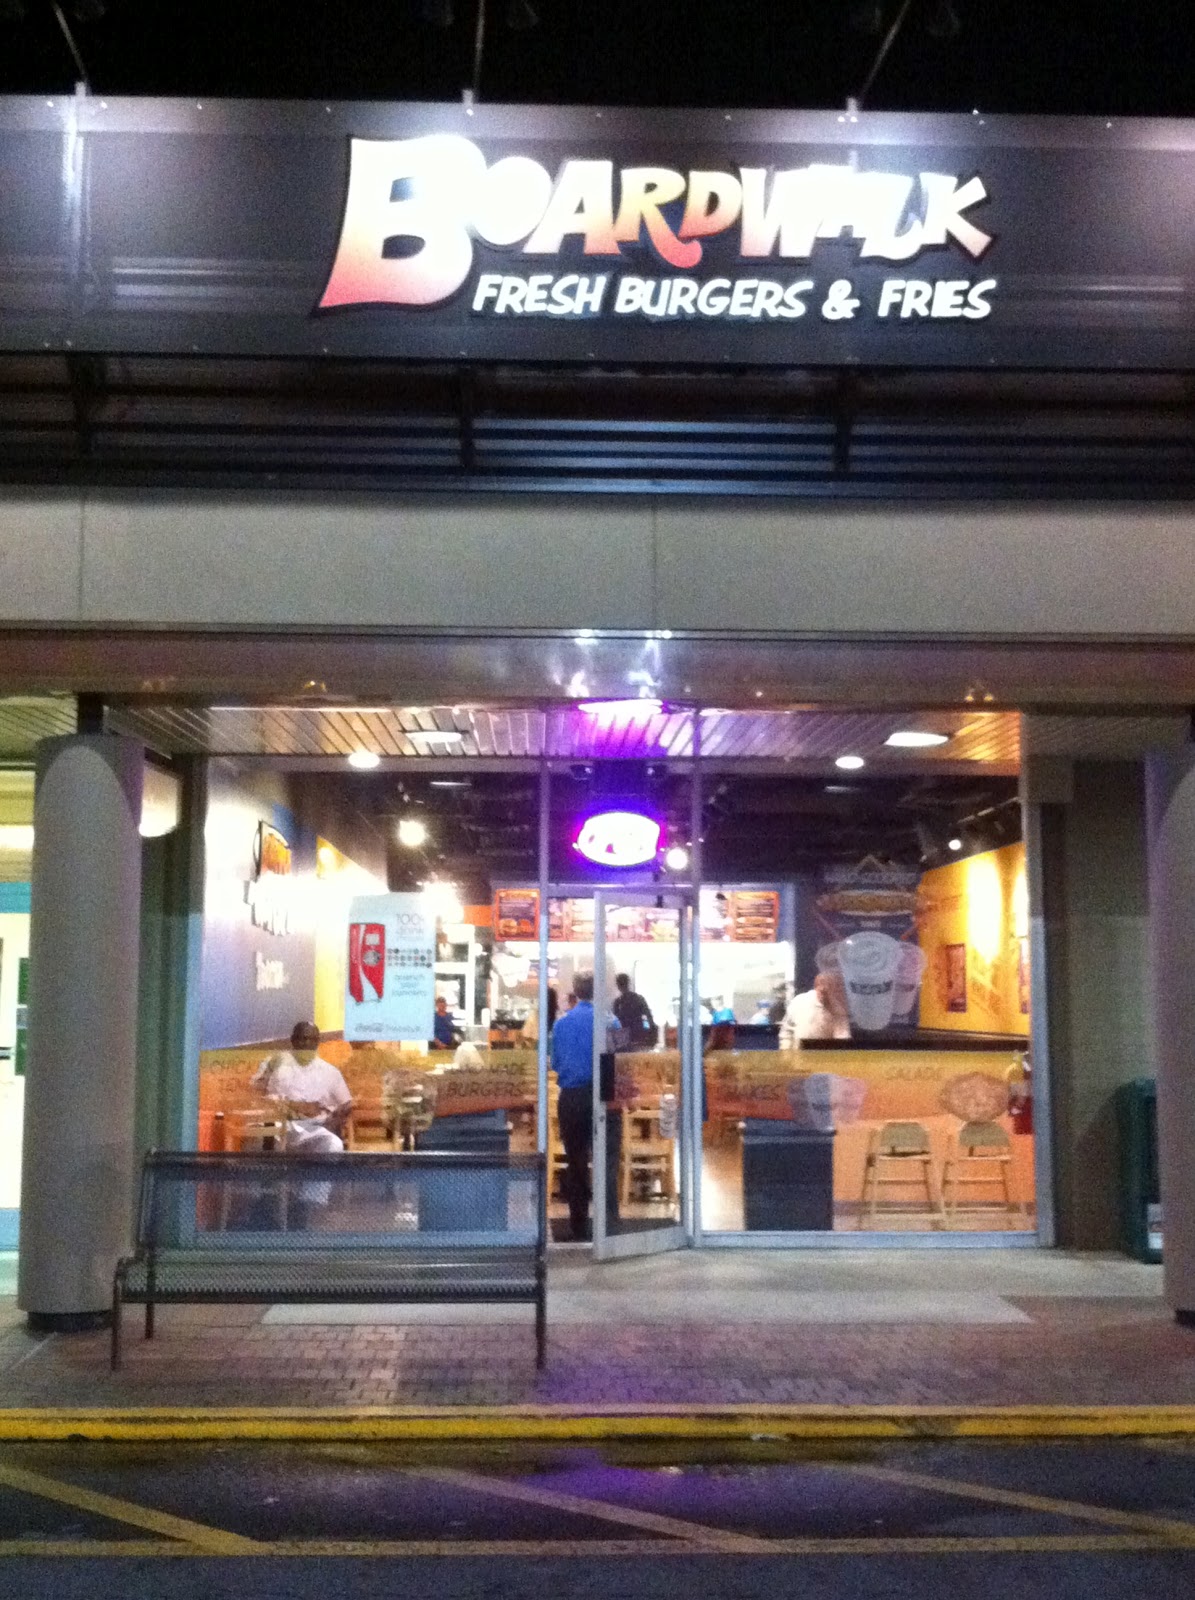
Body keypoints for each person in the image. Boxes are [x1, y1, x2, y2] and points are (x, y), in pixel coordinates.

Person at [251, 1021, 354, 1154]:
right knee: (254, 1146)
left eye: (311, 1039)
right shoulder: (275, 1062)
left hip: (313, 1130)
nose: (306, 1043)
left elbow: (347, 1104)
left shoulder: (330, 1072)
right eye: (302, 1039)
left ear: (317, 1042)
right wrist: (290, 1105)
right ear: (293, 1040)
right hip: (277, 1126)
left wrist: (334, 1120)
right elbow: (255, 1093)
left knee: (334, 1145)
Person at [549, 969, 597, 1241]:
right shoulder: (608, 1022)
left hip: (571, 1097)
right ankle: (607, 1222)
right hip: (601, 1097)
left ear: (576, 992)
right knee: (606, 1157)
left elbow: (556, 1064)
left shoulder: (561, 1025)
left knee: (576, 1158)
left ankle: (578, 1222)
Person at [777, 973, 851, 1049]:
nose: (824, 994)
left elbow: (842, 1039)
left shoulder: (839, 1009)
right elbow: (786, 1031)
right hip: (798, 1054)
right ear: (816, 986)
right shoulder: (799, 1001)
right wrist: (786, 1052)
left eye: (828, 990)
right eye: (822, 991)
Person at [612, 972, 656, 1050]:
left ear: (618, 986)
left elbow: (616, 1024)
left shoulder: (618, 1003)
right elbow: (646, 1018)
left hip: (625, 1041)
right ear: (628, 983)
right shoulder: (639, 999)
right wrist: (646, 1032)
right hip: (640, 1038)